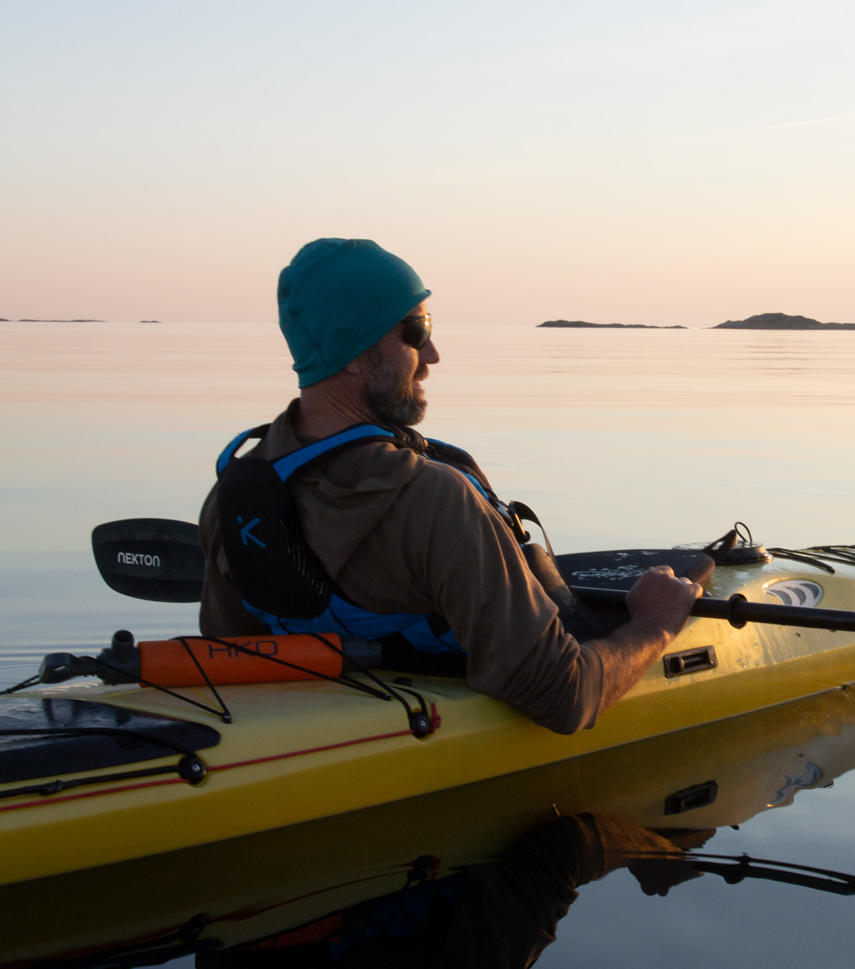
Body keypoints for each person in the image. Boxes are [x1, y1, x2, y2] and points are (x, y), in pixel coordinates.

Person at [198, 238, 701, 734]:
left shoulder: (233, 498)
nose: (433, 353)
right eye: (416, 331)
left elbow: (234, 654)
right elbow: (562, 695)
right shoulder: (437, 501)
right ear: (351, 351)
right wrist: (652, 626)